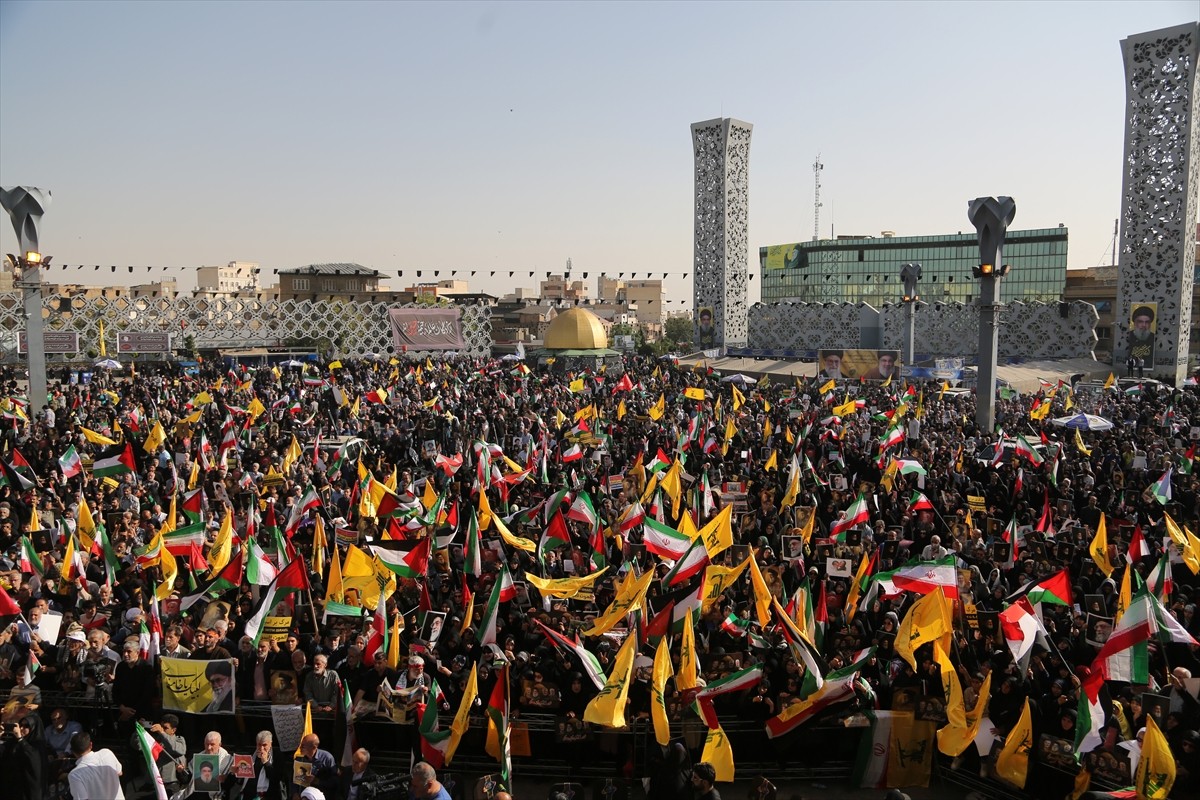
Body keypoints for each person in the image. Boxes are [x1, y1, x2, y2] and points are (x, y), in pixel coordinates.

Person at [67, 731, 124, 800]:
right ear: (91, 745)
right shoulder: (107, 753)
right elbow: (119, 772)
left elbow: (81, 798)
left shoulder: (75, 775)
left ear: (73, 752)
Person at [240, 730, 285, 800]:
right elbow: (242, 779)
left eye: (264, 745)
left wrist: (266, 762)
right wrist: (236, 771)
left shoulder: (277, 757)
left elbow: (276, 779)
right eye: (259, 745)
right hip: (248, 794)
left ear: (271, 744)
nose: (261, 748)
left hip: (267, 795)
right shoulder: (251, 755)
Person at [293, 733, 337, 798]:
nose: (300, 748)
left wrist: (318, 781)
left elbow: (335, 781)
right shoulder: (299, 758)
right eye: (300, 745)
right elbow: (294, 780)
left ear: (313, 747)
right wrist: (295, 793)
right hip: (303, 795)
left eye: (303, 746)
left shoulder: (327, 758)